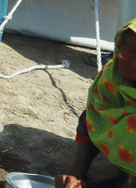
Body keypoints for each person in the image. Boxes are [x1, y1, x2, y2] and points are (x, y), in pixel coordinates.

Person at [55, 17, 136, 188]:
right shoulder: (112, 76)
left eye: (134, 52)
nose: (120, 54)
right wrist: (76, 174)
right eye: (123, 44)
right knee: (98, 112)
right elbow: (94, 118)